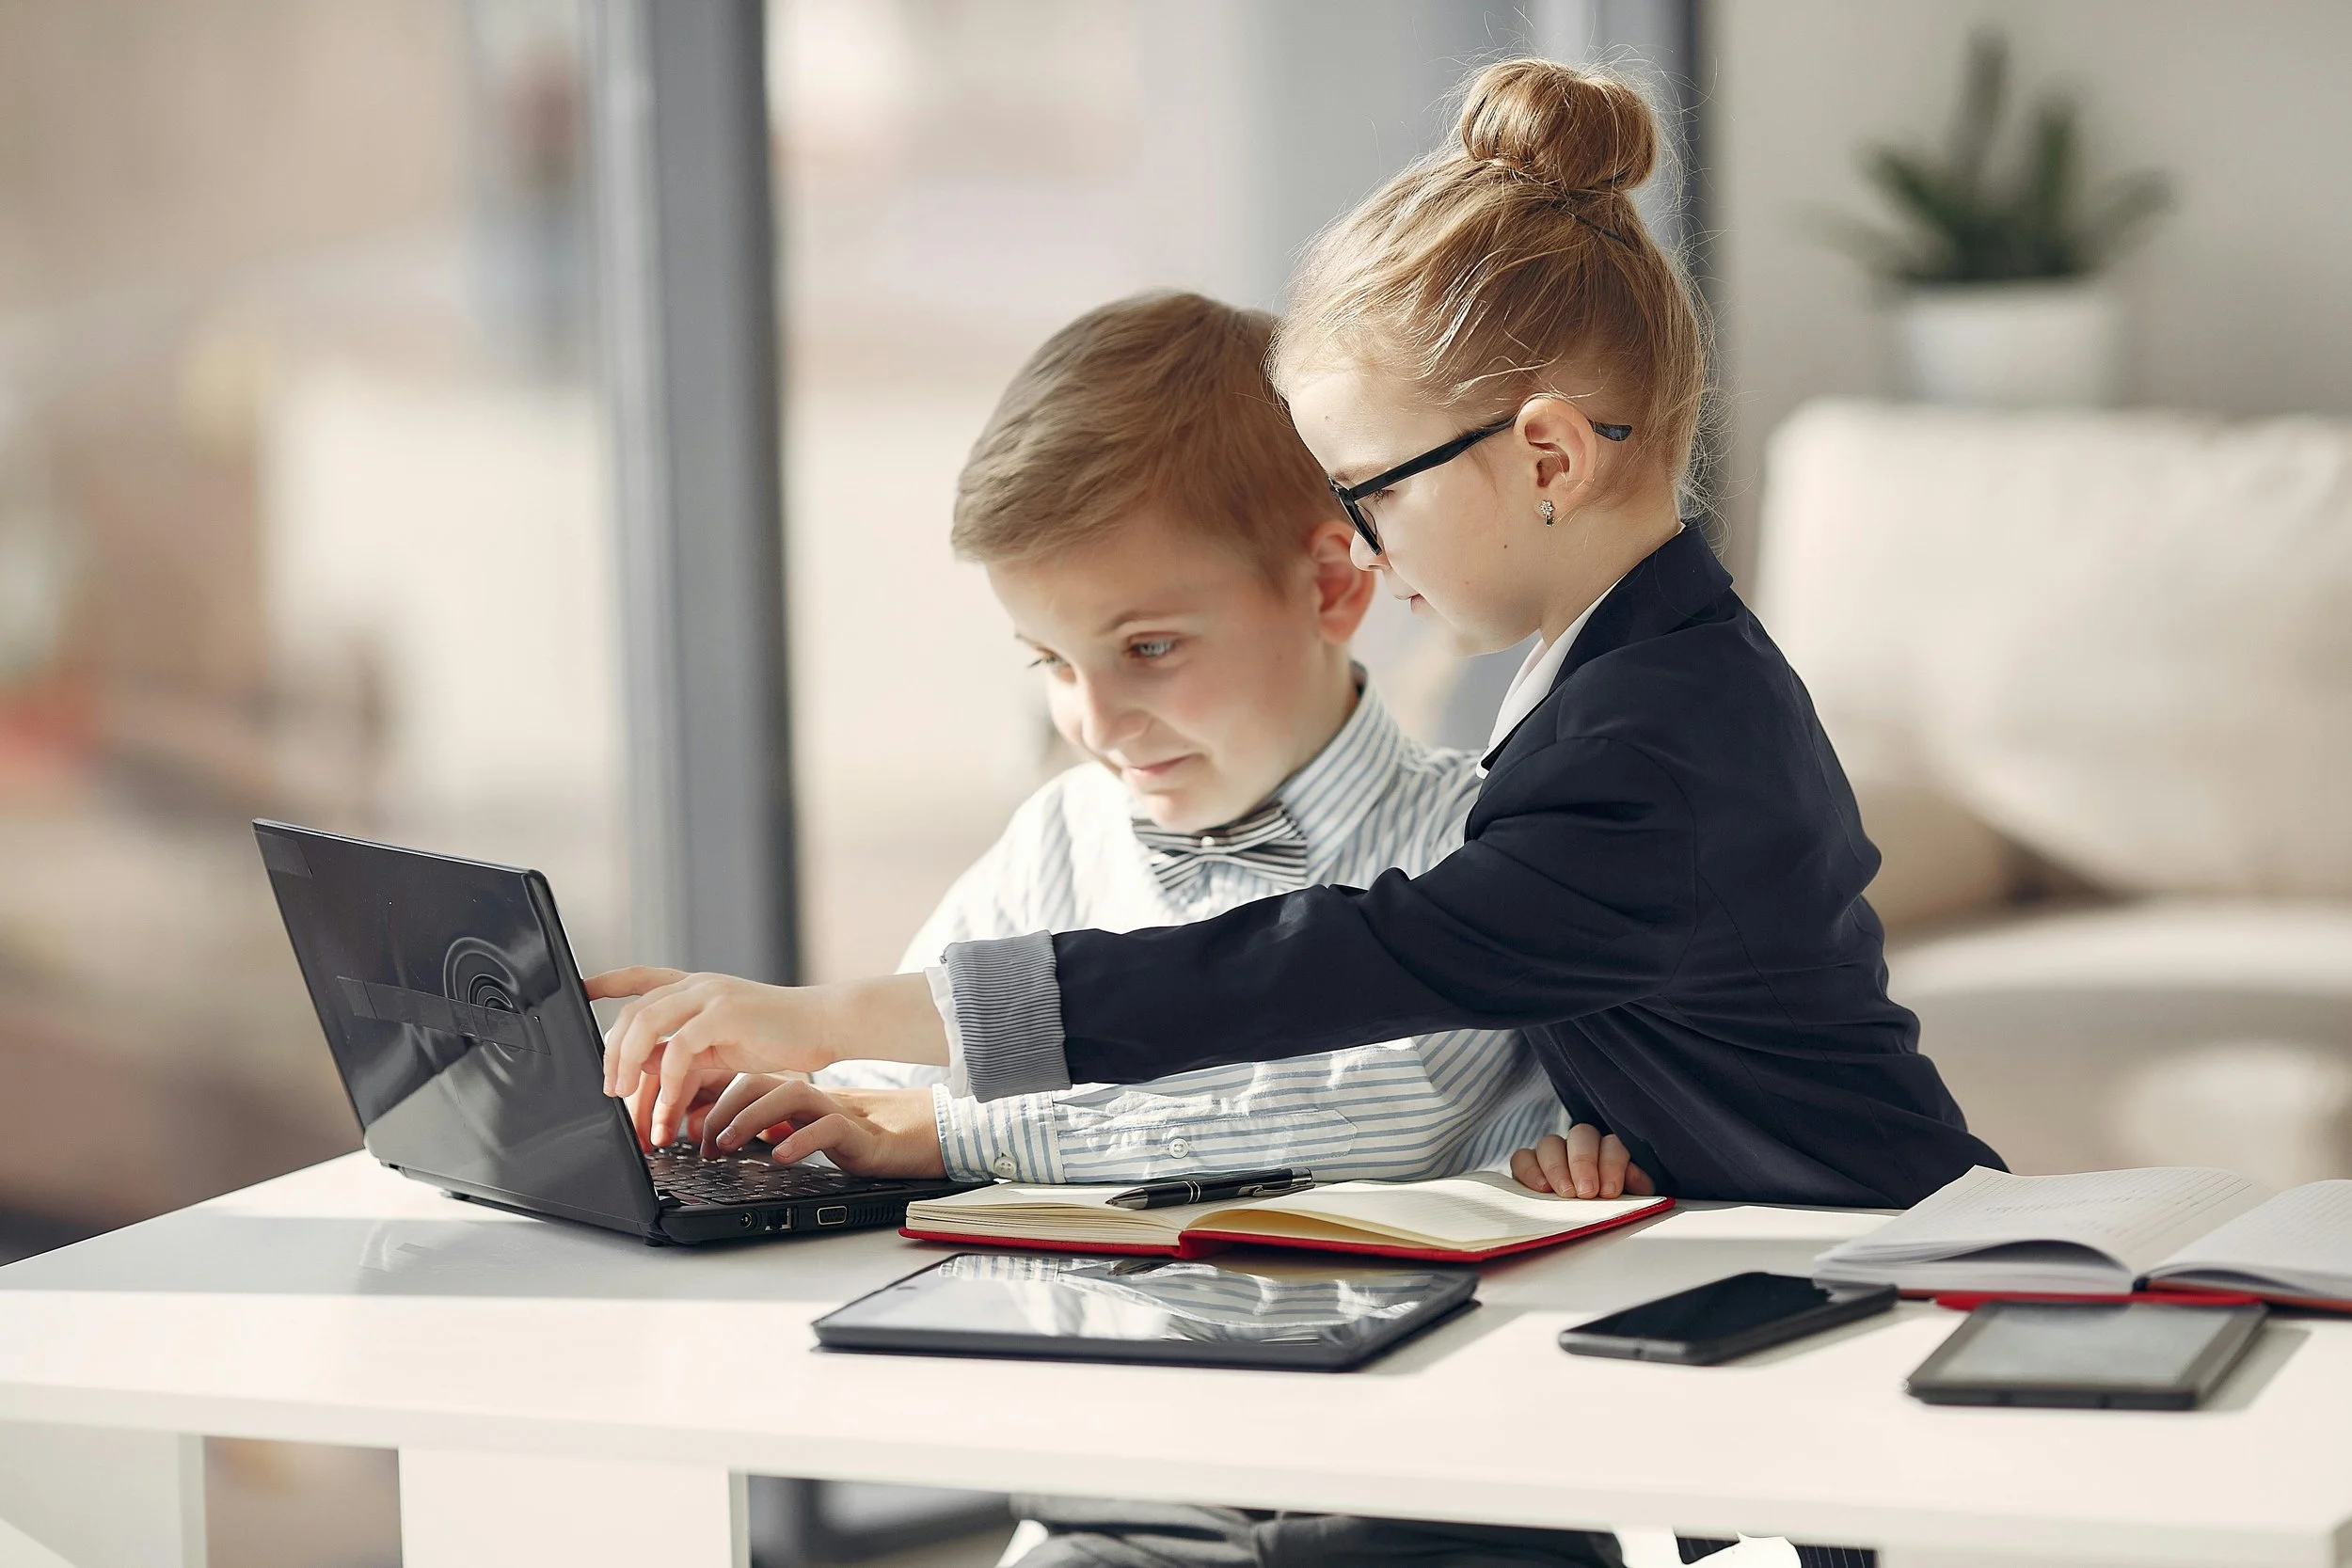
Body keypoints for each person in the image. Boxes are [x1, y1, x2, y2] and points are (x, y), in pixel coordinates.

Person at [597, 58, 2000, 1215]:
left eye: (1375, 492)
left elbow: (1330, 967)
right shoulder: (1631, 678)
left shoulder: (1656, 742)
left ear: (1550, 459)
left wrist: (837, 1020)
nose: (1368, 551)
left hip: (1883, 1263)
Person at [596, 289, 1643, 1200]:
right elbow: (889, 1091)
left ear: (1331, 584)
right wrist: (774, 1112)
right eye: (1049, 661)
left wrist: (948, 1134)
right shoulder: (1059, 835)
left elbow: (1360, 1109)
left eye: (1148, 647)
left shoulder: (1481, 839)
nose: (1094, 722)